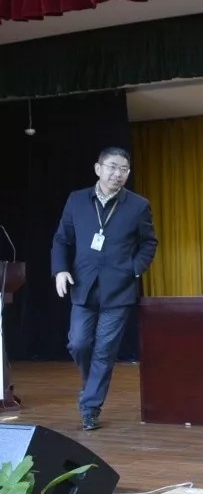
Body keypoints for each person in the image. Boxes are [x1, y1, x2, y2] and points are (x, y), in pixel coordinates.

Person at [51, 147, 158, 430]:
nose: (117, 173)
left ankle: (90, 408)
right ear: (98, 168)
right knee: (79, 343)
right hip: (83, 285)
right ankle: (92, 386)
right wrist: (60, 270)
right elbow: (62, 239)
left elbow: (149, 242)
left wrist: (134, 269)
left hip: (119, 289)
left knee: (105, 350)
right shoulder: (77, 200)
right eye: (112, 167)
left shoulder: (138, 205)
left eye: (124, 169)